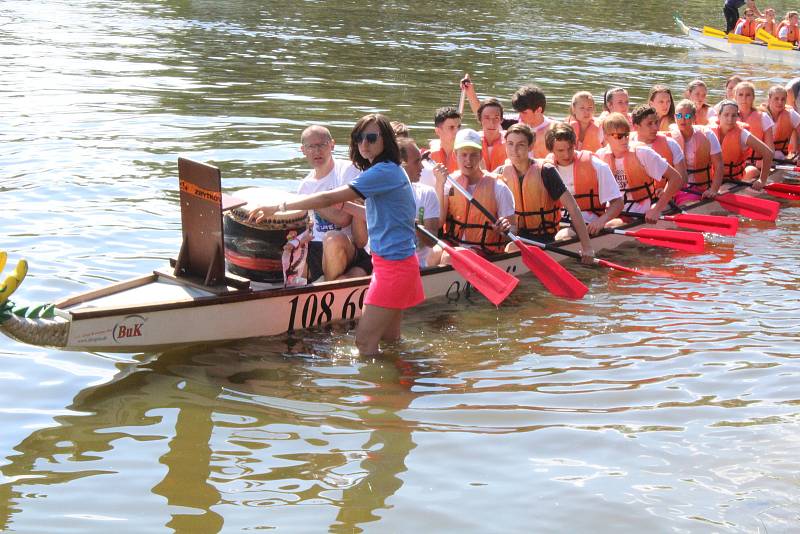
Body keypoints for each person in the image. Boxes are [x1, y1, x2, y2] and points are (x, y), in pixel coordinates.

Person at [248, 114, 423, 355]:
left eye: (371, 138)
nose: (364, 144)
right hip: (395, 264)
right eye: (359, 138)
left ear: (387, 141)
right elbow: (376, 212)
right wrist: (348, 206)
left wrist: (279, 207)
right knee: (390, 341)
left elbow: (329, 197)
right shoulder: (391, 170)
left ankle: (378, 390)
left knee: (364, 343)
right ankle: (399, 388)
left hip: (393, 268)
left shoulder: (383, 171)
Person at [496, 124, 595, 262]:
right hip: (517, 234)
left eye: (521, 145)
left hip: (547, 237)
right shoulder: (500, 173)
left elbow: (573, 208)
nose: (514, 150)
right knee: (506, 239)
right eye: (510, 144)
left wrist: (587, 248)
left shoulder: (546, 171)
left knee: (512, 248)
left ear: (530, 147)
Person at [293, 125, 371, 282]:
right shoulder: (304, 186)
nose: (317, 151)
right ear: (303, 150)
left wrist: (314, 201)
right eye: (311, 146)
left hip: (350, 246)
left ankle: (326, 289)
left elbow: (344, 218)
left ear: (332, 145)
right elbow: (308, 228)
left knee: (332, 239)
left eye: (322, 145)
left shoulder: (349, 170)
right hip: (317, 246)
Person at [432, 128, 514, 257]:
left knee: (448, 258)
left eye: (473, 155)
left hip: (484, 250)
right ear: (455, 155)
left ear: (481, 155)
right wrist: (439, 184)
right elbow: (438, 223)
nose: (468, 160)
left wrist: (505, 229)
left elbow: (513, 231)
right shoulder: (448, 182)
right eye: (464, 154)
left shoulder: (499, 187)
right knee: (432, 253)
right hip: (454, 244)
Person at [597, 113, 684, 223]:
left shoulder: (642, 153)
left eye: (626, 135)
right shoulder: (600, 156)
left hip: (640, 212)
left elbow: (676, 178)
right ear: (606, 136)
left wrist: (657, 210)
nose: (624, 139)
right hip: (613, 212)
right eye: (618, 136)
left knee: (609, 225)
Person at [544, 122, 623, 238]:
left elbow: (618, 203)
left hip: (588, 225)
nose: (566, 155)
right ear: (551, 150)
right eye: (560, 151)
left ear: (575, 144)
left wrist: (601, 221)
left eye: (570, 148)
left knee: (562, 236)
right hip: (554, 223)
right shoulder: (544, 169)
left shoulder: (597, 166)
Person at [397, 137, 443, 267]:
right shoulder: (380, 196)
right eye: (417, 161)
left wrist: (414, 225)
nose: (422, 166)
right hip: (386, 265)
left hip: (419, 265)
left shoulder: (427, 194)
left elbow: (432, 241)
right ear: (401, 164)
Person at [669, 99, 725, 203]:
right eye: (679, 116)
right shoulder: (670, 137)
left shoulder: (707, 135)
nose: (682, 120)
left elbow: (719, 164)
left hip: (700, 188)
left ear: (694, 118)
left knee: (685, 203)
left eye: (687, 116)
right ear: (675, 117)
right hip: (676, 186)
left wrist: (713, 190)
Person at [710, 100, 773, 187]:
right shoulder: (709, 132)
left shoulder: (742, 134)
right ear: (719, 116)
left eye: (734, 115)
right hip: (710, 179)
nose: (730, 119)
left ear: (737, 117)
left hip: (732, 181)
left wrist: (762, 180)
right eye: (726, 115)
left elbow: (768, 153)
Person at [631, 104, 688, 190]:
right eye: (649, 124)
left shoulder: (671, 144)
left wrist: (666, 192)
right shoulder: (625, 146)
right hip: (637, 200)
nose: (656, 128)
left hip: (669, 196)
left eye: (656, 122)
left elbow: (683, 179)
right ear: (636, 127)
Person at [734, 81, 774, 166]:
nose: (744, 98)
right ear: (735, 97)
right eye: (740, 95)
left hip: (755, 163)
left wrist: (764, 162)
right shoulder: (729, 117)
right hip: (734, 164)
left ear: (753, 97)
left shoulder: (763, 117)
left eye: (748, 95)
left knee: (749, 173)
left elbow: (770, 148)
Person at [511, 85, 553, 158]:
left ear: (538, 110)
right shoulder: (512, 122)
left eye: (524, 113)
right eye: (519, 112)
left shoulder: (554, 130)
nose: (520, 116)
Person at [761, 85, 800, 160]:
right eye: (776, 99)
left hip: (783, 157)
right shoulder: (761, 116)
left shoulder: (791, 114)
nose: (780, 102)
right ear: (769, 99)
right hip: (763, 157)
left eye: (783, 99)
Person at [476, 98, 508, 172]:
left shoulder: (510, 141)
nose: (492, 123)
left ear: (501, 120)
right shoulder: (473, 141)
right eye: (487, 118)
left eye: (496, 118)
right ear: (480, 119)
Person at [429, 107, 461, 174]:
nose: (457, 131)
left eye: (458, 127)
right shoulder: (428, 157)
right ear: (438, 131)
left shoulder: (468, 156)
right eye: (451, 127)